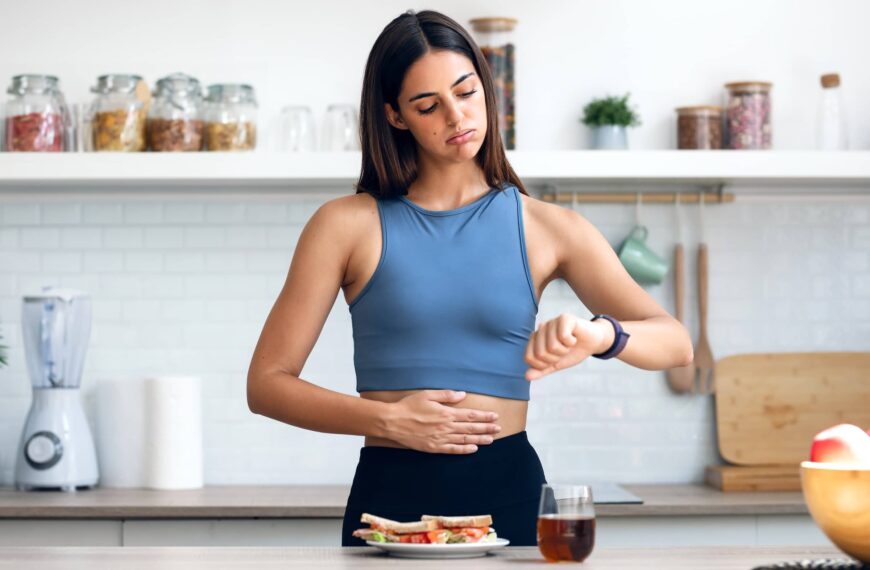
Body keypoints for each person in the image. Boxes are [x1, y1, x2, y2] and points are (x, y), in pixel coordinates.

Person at [247, 9, 693, 547]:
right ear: (394, 116)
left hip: (509, 493)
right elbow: (267, 384)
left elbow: (676, 343)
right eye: (428, 106)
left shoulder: (548, 227)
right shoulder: (345, 225)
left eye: (466, 92)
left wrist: (601, 334)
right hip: (390, 500)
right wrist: (388, 420)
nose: (456, 116)